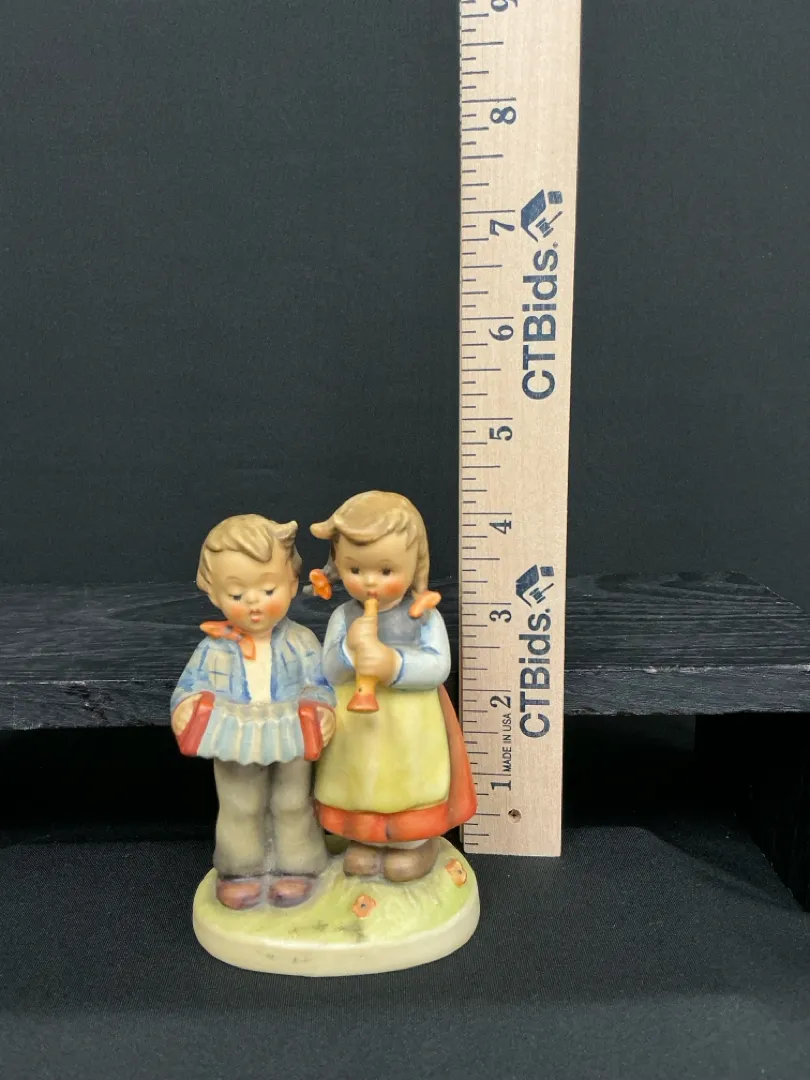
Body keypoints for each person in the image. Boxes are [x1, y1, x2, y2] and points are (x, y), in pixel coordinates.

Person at [309, 491, 476, 883]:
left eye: (386, 571)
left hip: (410, 725)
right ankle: (365, 841)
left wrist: (392, 664)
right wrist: (349, 652)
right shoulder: (343, 616)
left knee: (409, 785)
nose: (370, 582)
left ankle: (414, 844)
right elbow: (328, 669)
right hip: (356, 729)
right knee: (360, 782)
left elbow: (439, 666)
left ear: (414, 565)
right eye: (355, 569)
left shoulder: (423, 616)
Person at [171, 515, 336, 910]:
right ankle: (240, 870)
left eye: (268, 589)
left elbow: (320, 683)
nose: (254, 603)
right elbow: (190, 686)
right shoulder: (214, 648)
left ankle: (297, 866)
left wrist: (322, 708)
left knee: (293, 801)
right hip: (234, 737)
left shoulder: (301, 641)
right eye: (236, 593)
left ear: (292, 584)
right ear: (213, 594)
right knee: (240, 805)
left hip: (290, 733)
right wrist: (185, 707)